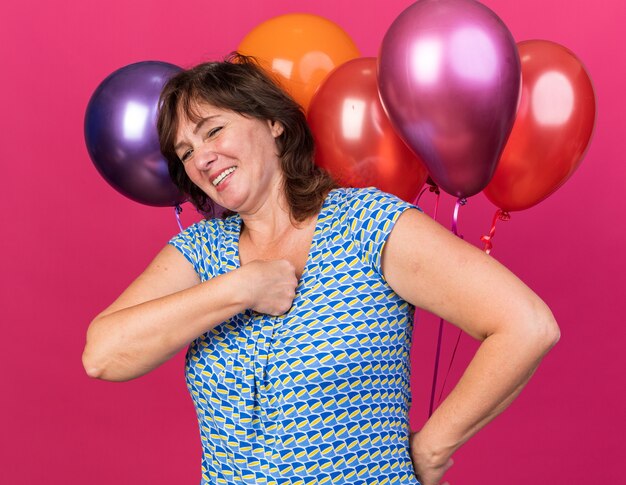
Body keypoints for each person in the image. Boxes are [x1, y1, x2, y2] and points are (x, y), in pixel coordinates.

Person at [82, 53, 560, 485]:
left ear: (274, 122)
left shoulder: (365, 224)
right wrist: (241, 287)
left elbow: (526, 325)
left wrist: (434, 448)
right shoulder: (200, 250)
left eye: (212, 130)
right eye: (185, 153)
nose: (202, 158)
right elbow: (102, 355)